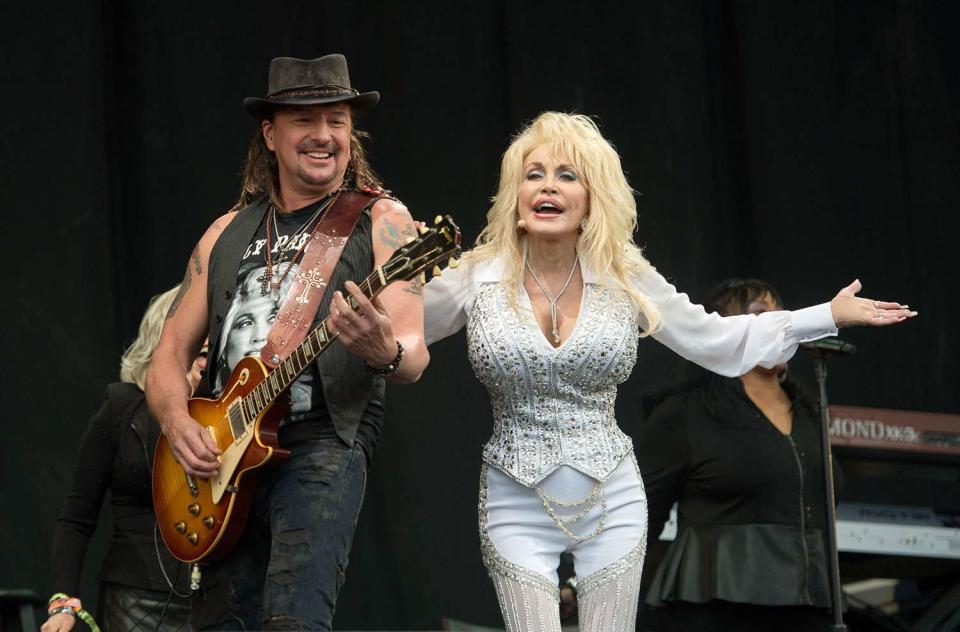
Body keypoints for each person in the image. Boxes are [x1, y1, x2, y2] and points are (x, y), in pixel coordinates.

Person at [421, 112, 915, 632]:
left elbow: (716, 340)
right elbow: (399, 333)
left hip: (611, 498)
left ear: (592, 199)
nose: (548, 186)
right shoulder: (480, 275)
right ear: (516, 196)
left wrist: (826, 315)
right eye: (534, 173)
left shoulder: (623, 276)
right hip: (513, 495)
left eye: (567, 175)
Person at [145, 54, 428, 630]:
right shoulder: (224, 233)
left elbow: (412, 354)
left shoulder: (385, 220)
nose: (323, 136)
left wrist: (383, 350)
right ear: (270, 134)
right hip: (223, 455)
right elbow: (169, 355)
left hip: (323, 440)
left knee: (294, 619)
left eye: (338, 120)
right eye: (305, 121)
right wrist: (177, 422)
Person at [635, 278, 843, 631]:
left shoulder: (809, 412)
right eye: (761, 313)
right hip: (716, 606)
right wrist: (587, 584)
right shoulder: (688, 413)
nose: (777, 323)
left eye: (782, 314)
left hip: (805, 605)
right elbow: (642, 515)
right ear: (721, 332)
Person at [43, 286, 206, 632]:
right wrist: (62, 602)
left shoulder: (230, 414)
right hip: (135, 599)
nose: (204, 357)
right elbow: (76, 517)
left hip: (214, 596)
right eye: (197, 347)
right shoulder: (120, 409)